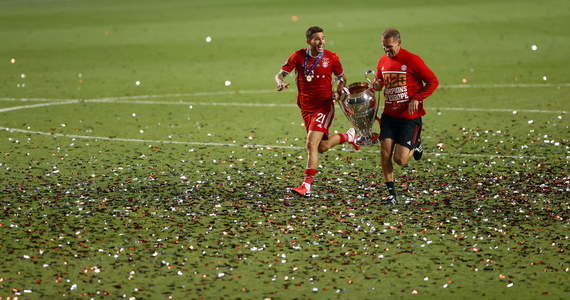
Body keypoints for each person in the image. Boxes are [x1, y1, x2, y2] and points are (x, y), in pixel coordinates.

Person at [275, 26, 359, 197]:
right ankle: (348, 136)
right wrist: (280, 82)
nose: (321, 42)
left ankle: (306, 186)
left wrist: (339, 90)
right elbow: (280, 74)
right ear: (309, 41)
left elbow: (342, 78)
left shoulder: (331, 57)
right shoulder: (298, 56)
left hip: (324, 106)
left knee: (311, 144)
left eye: (322, 38)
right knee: (321, 147)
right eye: (317, 39)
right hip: (306, 108)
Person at [372, 28, 439, 205]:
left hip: (409, 117)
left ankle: (416, 143)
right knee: (385, 155)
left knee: (400, 159)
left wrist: (417, 98)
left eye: (390, 46)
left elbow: (433, 81)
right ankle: (392, 194)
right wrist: (377, 85)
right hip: (389, 115)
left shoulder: (412, 60)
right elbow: (380, 83)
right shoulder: (382, 61)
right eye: (384, 47)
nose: (387, 50)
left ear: (399, 43)